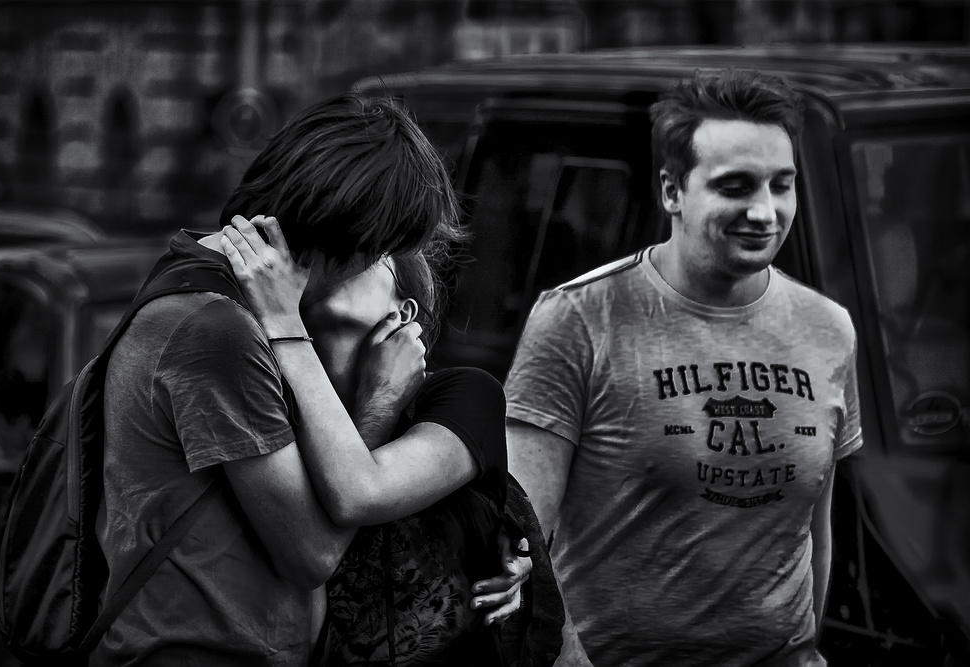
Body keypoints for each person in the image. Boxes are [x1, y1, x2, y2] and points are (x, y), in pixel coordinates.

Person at [94, 93, 528, 666]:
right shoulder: (217, 328)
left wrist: (500, 554)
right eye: (379, 250)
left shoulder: (211, 299)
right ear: (350, 238)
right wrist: (370, 402)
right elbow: (314, 553)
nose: (379, 263)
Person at [504, 69, 864, 666]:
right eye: (735, 186)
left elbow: (813, 528)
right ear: (672, 190)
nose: (765, 212)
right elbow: (519, 544)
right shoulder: (580, 319)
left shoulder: (828, 328)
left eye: (781, 185)